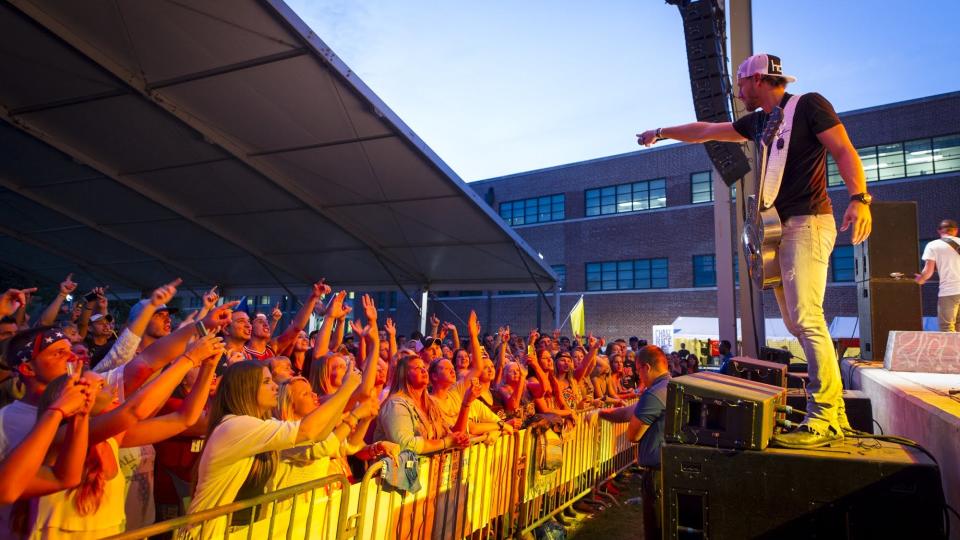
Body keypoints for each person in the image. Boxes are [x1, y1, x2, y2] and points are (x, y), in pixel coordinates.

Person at [638, 53, 872, 449]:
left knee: (806, 317)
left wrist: (860, 197)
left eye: (742, 84)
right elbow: (707, 130)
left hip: (808, 222)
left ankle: (826, 414)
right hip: (778, 229)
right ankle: (826, 411)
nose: (739, 92)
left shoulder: (809, 105)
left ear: (759, 80)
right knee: (797, 322)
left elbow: (844, 149)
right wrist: (661, 131)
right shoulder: (763, 121)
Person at [916, 219, 960, 331]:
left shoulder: (933, 245)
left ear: (939, 231)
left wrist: (921, 279)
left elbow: (928, 271)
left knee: (947, 327)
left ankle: (952, 349)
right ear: (956, 231)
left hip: (950, 291)